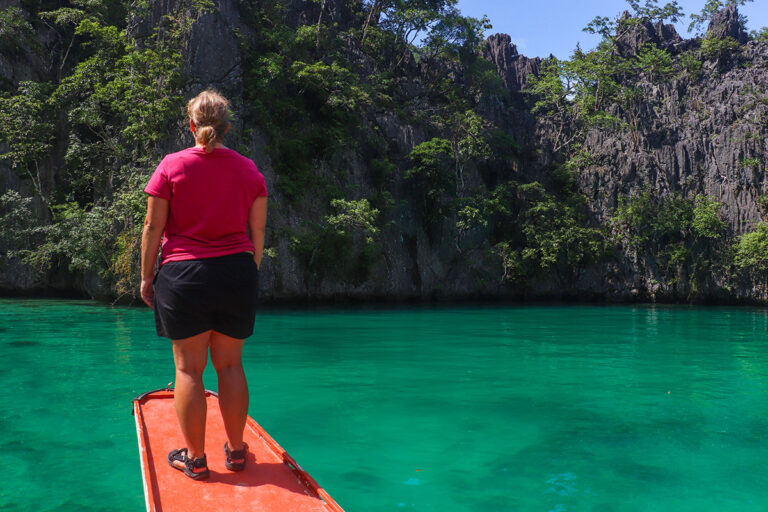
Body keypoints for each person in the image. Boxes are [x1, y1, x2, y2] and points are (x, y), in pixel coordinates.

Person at [140, 89, 268, 480]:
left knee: (190, 371)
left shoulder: (171, 165)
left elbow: (152, 227)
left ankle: (196, 459)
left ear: (191, 125)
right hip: (237, 273)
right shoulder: (249, 170)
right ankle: (237, 452)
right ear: (227, 127)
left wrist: (147, 277)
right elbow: (257, 229)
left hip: (184, 276)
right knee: (230, 365)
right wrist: (248, 270)